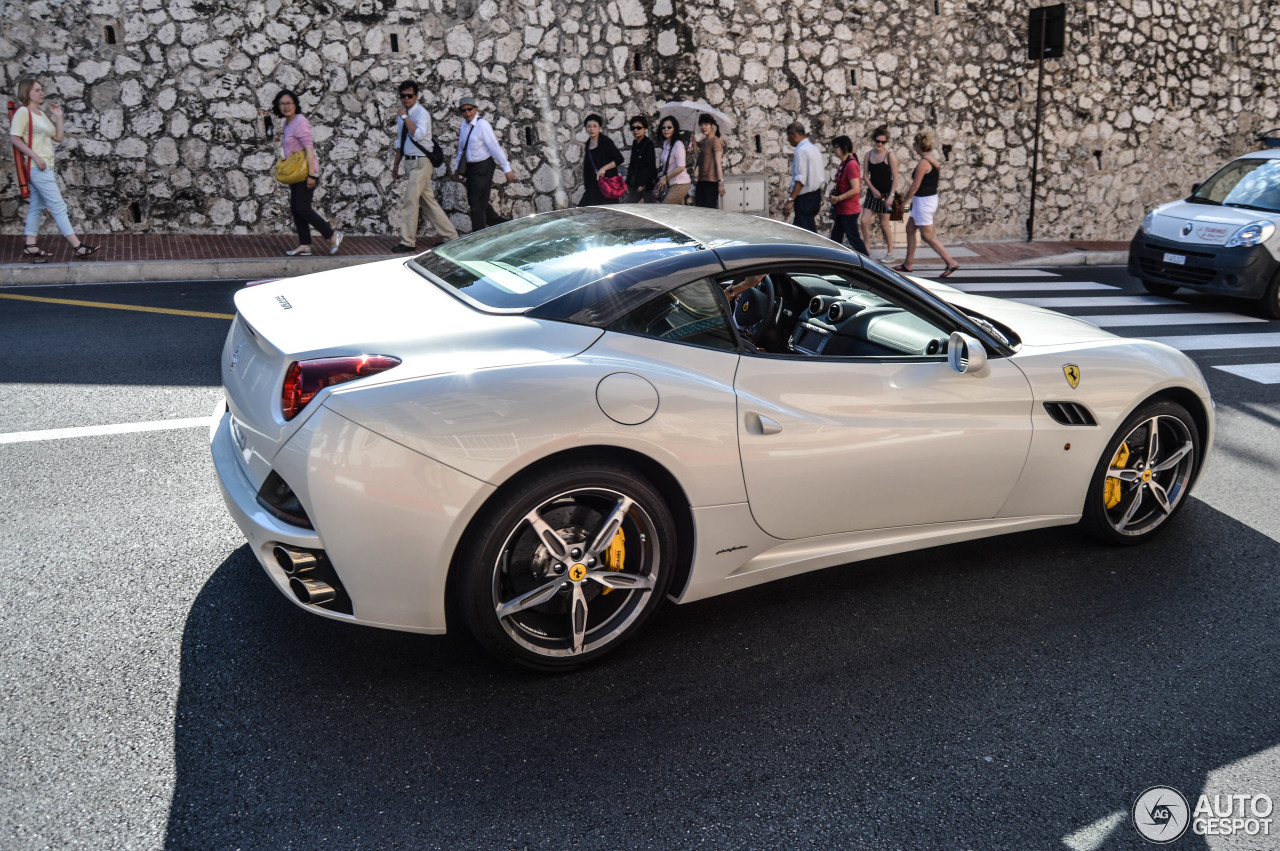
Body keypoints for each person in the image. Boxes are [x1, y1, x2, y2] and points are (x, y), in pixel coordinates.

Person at [8, 78, 97, 262]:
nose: (42, 93)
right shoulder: (23, 112)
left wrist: (59, 117)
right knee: (58, 206)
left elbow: (58, 138)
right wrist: (36, 157)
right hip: (36, 166)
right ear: (27, 93)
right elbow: (15, 138)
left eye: (41, 90)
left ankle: (30, 245)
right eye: (37, 90)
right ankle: (77, 246)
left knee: (37, 206)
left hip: (45, 165)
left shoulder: (40, 113)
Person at [273, 89, 341, 256]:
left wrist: (311, 175)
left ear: (295, 104)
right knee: (296, 209)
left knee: (302, 208)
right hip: (295, 173)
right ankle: (305, 244)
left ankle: (331, 234)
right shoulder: (286, 123)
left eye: (289, 103)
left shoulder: (300, 122)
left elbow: (309, 150)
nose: (286, 106)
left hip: (306, 172)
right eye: (282, 104)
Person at [391, 80, 457, 253]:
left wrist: (405, 117)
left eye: (409, 96)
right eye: (403, 96)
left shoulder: (421, 114)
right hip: (410, 161)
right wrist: (396, 165)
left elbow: (418, 135)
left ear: (416, 96)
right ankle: (451, 237)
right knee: (428, 202)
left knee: (410, 200)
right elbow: (401, 140)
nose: (406, 99)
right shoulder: (402, 115)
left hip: (422, 161)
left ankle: (407, 241)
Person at [897, 131, 960, 277]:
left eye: (914, 144)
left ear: (918, 146)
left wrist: (904, 203)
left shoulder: (923, 163)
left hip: (924, 202)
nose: (913, 146)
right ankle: (908, 264)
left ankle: (951, 262)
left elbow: (915, 186)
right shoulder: (933, 159)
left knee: (927, 236)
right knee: (910, 229)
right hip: (926, 200)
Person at [452, 95, 514, 233]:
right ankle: (498, 224)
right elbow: (461, 149)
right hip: (471, 169)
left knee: (476, 204)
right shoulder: (463, 126)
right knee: (478, 202)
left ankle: (477, 236)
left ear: (475, 109)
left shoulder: (482, 125)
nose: (467, 112)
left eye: (470, 109)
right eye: (464, 110)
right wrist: (457, 168)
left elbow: (494, 147)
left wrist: (506, 168)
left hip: (483, 167)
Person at [860, 125, 899, 262]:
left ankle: (890, 253)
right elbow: (865, 176)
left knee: (884, 224)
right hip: (873, 193)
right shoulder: (868, 155)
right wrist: (873, 189)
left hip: (887, 194)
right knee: (864, 220)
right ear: (873, 140)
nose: (879, 144)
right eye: (877, 141)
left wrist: (891, 196)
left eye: (883, 142)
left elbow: (896, 177)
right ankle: (867, 248)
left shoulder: (890, 156)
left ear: (886, 142)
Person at [827, 136, 868, 254]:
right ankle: (834, 260)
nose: (835, 150)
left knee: (853, 239)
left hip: (849, 210)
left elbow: (855, 189)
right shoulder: (844, 163)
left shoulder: (851, 165)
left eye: (836, 147)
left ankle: (868, 262)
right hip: (842, 210)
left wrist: (838, 198)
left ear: (844, 148)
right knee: (835, 239)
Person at [783, 121, 824, 232]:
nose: (788, 140)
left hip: (805, 198)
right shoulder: (814, 149)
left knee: (807, 233)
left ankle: (818, 249)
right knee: (800, 230)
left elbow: (801, 180)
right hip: (815, 195)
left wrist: (791, 200)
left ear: (793, 136)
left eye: (788, 137)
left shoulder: (801, 151)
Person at [578, 113, 623, 207]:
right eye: (589, 126)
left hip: (607, 184)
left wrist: (604, 168)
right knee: (584, 209)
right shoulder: (587, 145)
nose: (591, 129)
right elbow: (588, 167)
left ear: (600, 128)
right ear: (585, 128)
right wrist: (587, 186)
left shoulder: (605, 142)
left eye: (595, 126)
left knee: (608, 210)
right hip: (593, 186)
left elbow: (619, 159)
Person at [653, 116, 690, 205]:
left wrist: (665, 178)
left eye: (669, 127)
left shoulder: (678, 144)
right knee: (678, 213)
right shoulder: (666, 143)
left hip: (679, 183)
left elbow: (681, 167)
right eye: (663, 127)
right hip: (671, 183)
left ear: (674, 129)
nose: (666, 130)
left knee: (664, 208)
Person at [691, 114, 724, 208]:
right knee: (700, 210)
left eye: (706, 124)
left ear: (712, 126)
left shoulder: (715, 141)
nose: (703, 127)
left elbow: (718, 163)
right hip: (702, 181)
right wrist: (694, 145)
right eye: (701, 125)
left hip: (711, 182)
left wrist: (721, 183)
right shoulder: (705, 141)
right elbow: (700, 160)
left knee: (709, 211)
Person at [624, 115, 656, 203]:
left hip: (645, 185)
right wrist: (628, 181)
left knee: (647, 208)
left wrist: (643, 184)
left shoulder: (648, 144)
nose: (636, 130)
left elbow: (650, 166)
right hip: (634, 183)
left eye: (639, 128)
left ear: (645, 129)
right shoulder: (635, 143)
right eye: (633, 128)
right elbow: (632, 163)